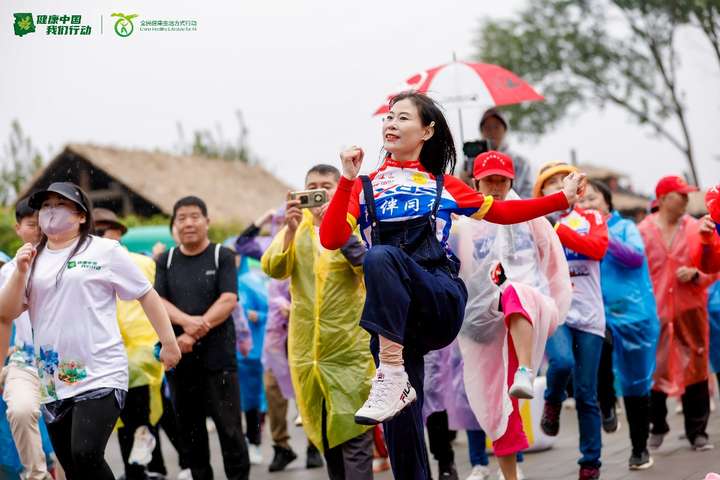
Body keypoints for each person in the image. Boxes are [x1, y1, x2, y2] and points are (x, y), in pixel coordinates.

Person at [319, 91, 584, 479]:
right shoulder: (363, 186)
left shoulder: (445, 185)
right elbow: (330, 238)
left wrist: (560, 198)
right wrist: (345, 180)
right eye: (388, 117)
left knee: (378, 256)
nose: (390, 123)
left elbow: (506, 212)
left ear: (427, 130)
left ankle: (391, 375)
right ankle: (395, 382)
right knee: (402, 436)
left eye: (402, 118)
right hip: (396, 324)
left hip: (438, 298)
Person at [0, 182, 180, 479]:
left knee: (86, 453)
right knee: (73, 464)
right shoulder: (31, 258)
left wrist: (169, 342)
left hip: (101, 371)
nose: (51, 211)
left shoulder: (105, 250)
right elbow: (6, 312)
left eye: (60, 204)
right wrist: (20, 271)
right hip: (52, 380)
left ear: (82, 215)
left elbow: (146, 294)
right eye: (45, 206)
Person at [455, 151, 572, 480]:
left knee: (514, 291)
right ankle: (510, 475)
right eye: (488, 180)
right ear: (475, 181)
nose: (495, 186)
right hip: (484, 323)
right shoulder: (464, 225)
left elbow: (553, 265)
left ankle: (524, 370)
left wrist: (554, 306)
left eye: (502, 180)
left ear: (511, 181)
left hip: (529, 308)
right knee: (495, 405)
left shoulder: (531, 218)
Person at [262, 164, 375, 480]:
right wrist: (288, 229)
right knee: (328, 441)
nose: (319, 191)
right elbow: (273, 267)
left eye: (326, 185)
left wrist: (334, 225)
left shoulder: (352, 227)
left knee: (354, 437)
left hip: (348, 354)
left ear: (340, 191)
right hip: (308, 358)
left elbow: (369, 268)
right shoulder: (296, 231)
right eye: (311, 186)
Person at [154, 195, 251, 480]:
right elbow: (158, 301)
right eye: (181, 218)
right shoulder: (166, 260)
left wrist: (193, 333)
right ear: (174, 225)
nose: (188, 223)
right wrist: (187, 325)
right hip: (180, 361)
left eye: (195, 216)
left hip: (219, 359)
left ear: (207, 222)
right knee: (191, 435)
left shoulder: (222, 255)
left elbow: (229, 299)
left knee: (231, 431)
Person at [533, 162, 608, 480]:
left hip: (590, 314)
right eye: (552, 183)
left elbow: (598, 248)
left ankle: (590, 463)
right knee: (561, 364)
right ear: (542, 192)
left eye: (565, 179)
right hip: (556, 309)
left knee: (588, 393)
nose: (560, 185)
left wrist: (560, 230)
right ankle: (552, 399)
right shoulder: (534, 224)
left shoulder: (590, 217)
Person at [578, 180, 660, 470]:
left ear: (607, 202)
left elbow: (635, 257)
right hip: (597, 314)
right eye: (582, 201)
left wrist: (603, 236)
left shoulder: (624, 228)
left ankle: (640, 449)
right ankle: (606, 403)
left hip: (633, 315)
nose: (586, 205)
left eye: (592, 199)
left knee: (636, 385)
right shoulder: (577, 232)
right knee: (598, 357)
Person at [234, 210, 324, 472]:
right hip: (276, 331)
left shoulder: (313, 239)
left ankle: (313, 445)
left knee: (307, 386)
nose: (282, 221)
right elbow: (240, 244)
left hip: (306, 324)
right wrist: (262, 218)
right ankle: (281, 446)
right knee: (273, 388)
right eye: (279, 218)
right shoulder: (268, 245)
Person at [638, 175, 717, 452]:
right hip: (655, 311)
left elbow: (714, 267)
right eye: (679, 194)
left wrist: (697, 274)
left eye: (687, 195)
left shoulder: (697, 228)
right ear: (661, 199)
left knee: (696, 364)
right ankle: (657, 426)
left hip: (690, 308)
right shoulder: (642, 231)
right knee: (654, 367)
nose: (685, 199)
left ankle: (698, 431)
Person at [93, 208, 170, 479]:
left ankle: (142, 470)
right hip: (121, 356)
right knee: (137, 420)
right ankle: (141, 470)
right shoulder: (95, 264)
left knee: (138, 419)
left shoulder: (134, 263)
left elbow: (156, 302)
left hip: (138, 356)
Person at [0, 198, 53, 480]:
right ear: (18, 228)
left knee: (71, 431)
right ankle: (36, 476)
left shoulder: (68, 263)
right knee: (20, 411)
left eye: (44, 222)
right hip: (24, 359)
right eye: (32, 224)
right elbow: (2, 320)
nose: (40, 230)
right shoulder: (7, 273)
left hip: (66, 360)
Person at [462, 109, 533, 198]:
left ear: (505, 130)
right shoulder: (470, 161)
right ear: (482, 132)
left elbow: (527, 193)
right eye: (487, 128)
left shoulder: (520, 161)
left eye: (496, 127)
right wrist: (463, 182)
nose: (492, 132)